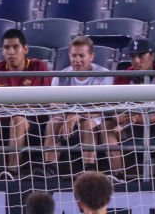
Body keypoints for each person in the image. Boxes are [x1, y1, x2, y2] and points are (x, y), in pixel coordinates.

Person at [51, 36, 122, 181]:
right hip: (68, 118)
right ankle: (49, 168)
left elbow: (102, 106)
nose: (77, 60)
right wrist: (69, 117)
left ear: (91, 56)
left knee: (87, 125)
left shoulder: (104, 76)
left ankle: (89, 168)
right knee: (53, 123)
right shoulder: (60, 77)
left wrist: (77, 115)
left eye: (81, 56)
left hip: (95, 118)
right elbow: (54, 105)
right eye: (73, 55)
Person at [0, 29, 53, 177]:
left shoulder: (38, 67)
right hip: (2, 120)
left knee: (17, 119)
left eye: (15, 47)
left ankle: (12, 171)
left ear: (25, 49)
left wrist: (11, 106)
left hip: (33, 123)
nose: (11, 52)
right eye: (6, 48)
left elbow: (45, 102)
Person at [115, 39, 155, 178]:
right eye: (133, 56)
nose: (137, 61)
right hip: (131, 125)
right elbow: (115, 106)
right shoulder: (124, 76)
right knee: (108, 126)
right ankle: (118, 175)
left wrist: (146, 118)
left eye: (141, 56)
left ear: (153, 56)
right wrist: (121, 116)